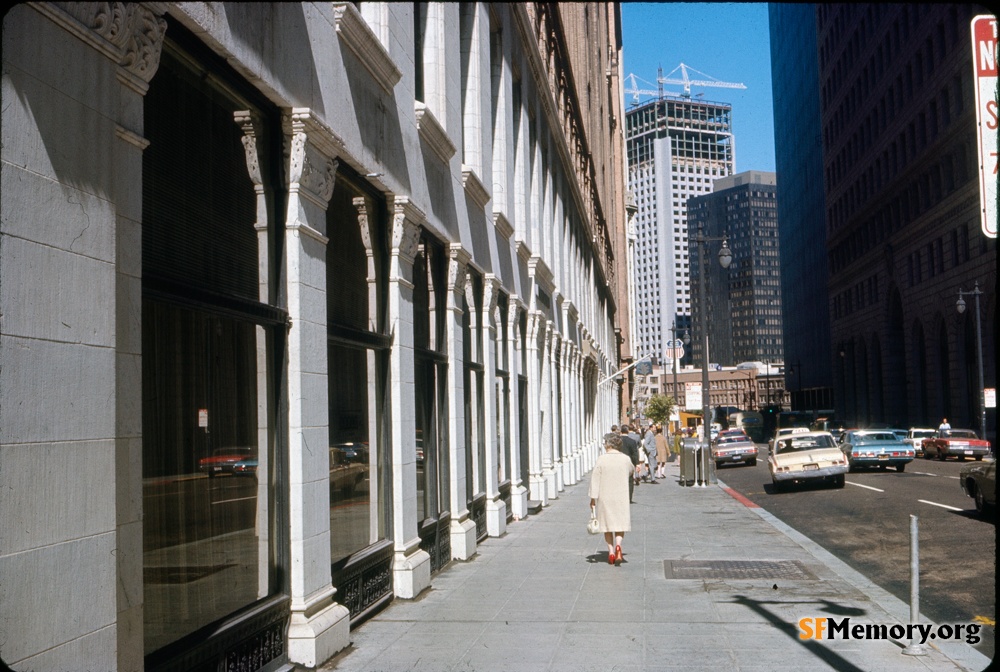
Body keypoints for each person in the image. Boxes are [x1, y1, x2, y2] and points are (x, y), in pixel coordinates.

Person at [589, 433, 632, 566]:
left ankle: (611, 552)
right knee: (620, 523)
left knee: (607, 525)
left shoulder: (602, 459)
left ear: (607, 444)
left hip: (605, 496)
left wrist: (593, 498)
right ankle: (619, 545)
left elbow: (595, 479)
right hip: (621, 496)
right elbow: (630, 471)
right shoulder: (625, 458)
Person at [619, 424, 641, 492]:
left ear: (621, 431)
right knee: (630, 480)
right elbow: (634, 453)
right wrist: (637, 463)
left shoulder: (617, 441)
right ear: (628, 431)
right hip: (629, 462)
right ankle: (629, 496)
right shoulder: (632, 441)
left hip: (618, 461)